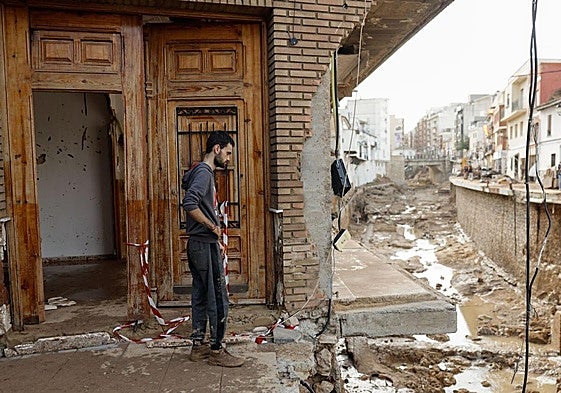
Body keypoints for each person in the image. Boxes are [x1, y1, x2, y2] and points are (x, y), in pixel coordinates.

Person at [181, 131, 244, 367]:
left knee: (199, 293)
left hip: (196, 244)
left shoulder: (197, 171)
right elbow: (189, 204)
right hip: (204, 243)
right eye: (227, 152)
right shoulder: (205, 173)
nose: (229, 158)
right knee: (218, 297)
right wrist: (212, 227)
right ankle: (217, 350)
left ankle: (198, 347)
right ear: (216, 149)